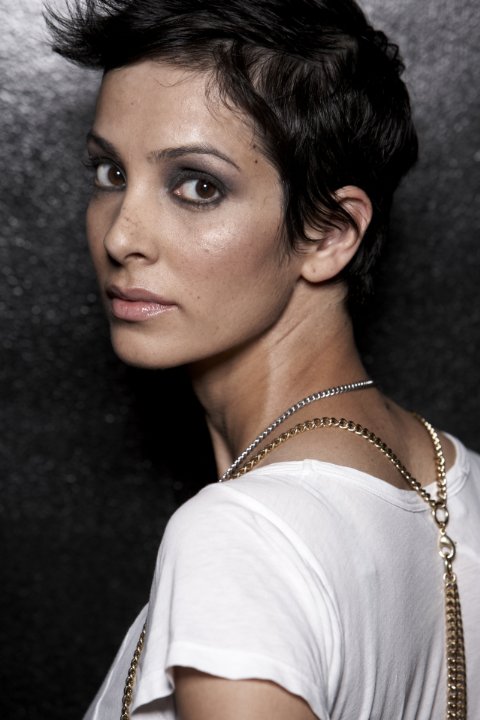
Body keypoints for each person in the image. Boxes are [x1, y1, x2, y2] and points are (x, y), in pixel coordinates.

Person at [47, 0, 479, 718]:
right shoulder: (459, 481)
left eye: (198, 185)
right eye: (110, 172)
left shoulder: (240, 536)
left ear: (329, 233)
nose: (121, 236)